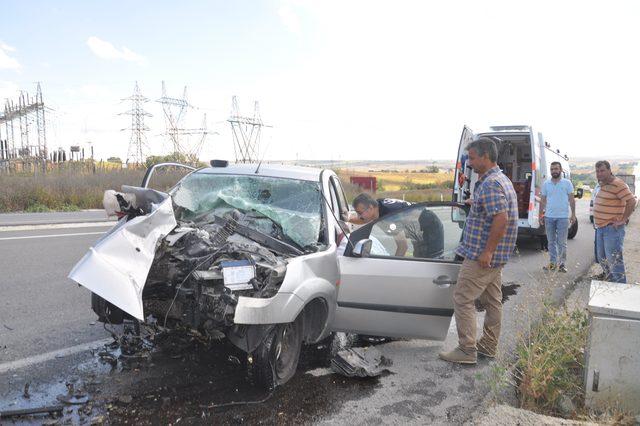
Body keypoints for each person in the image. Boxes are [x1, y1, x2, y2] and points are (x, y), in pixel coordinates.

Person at [439, 137, 518, 365]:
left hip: (482, 258)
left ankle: (467, 350)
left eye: (472, 158)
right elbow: (497, 211)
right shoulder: (500, 180)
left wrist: (487, 252)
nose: (470, 162)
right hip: (496, 258)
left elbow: (501, 219)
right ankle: (488, 346)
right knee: (493, 302)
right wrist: (478, 204)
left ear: (485, 156)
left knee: (463, 299)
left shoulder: (491, 184)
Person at [592, 160, 637, 283]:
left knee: (614, 260)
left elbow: (632, 202)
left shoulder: (618, 184)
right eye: (597, 171)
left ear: (609, 170)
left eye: (602, 170)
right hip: (600, 227)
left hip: (612, 229)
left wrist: (623, 219)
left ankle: (619, 286)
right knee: (602, 258)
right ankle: (610, 281)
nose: (599, 174)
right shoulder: (602, 184)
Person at [539, 161, 576, 273]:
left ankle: (562, 265)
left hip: (563, 218)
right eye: (552, 169)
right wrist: (540, 214)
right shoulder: (546, 184)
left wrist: (573, 214)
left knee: (562, 242)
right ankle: (553, 264)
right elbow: (543, 200)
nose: (554, 171)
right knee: (551, 242)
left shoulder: (567, 183)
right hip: (549, 217)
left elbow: (571, 199)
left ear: (560, 170)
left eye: (556, 169)